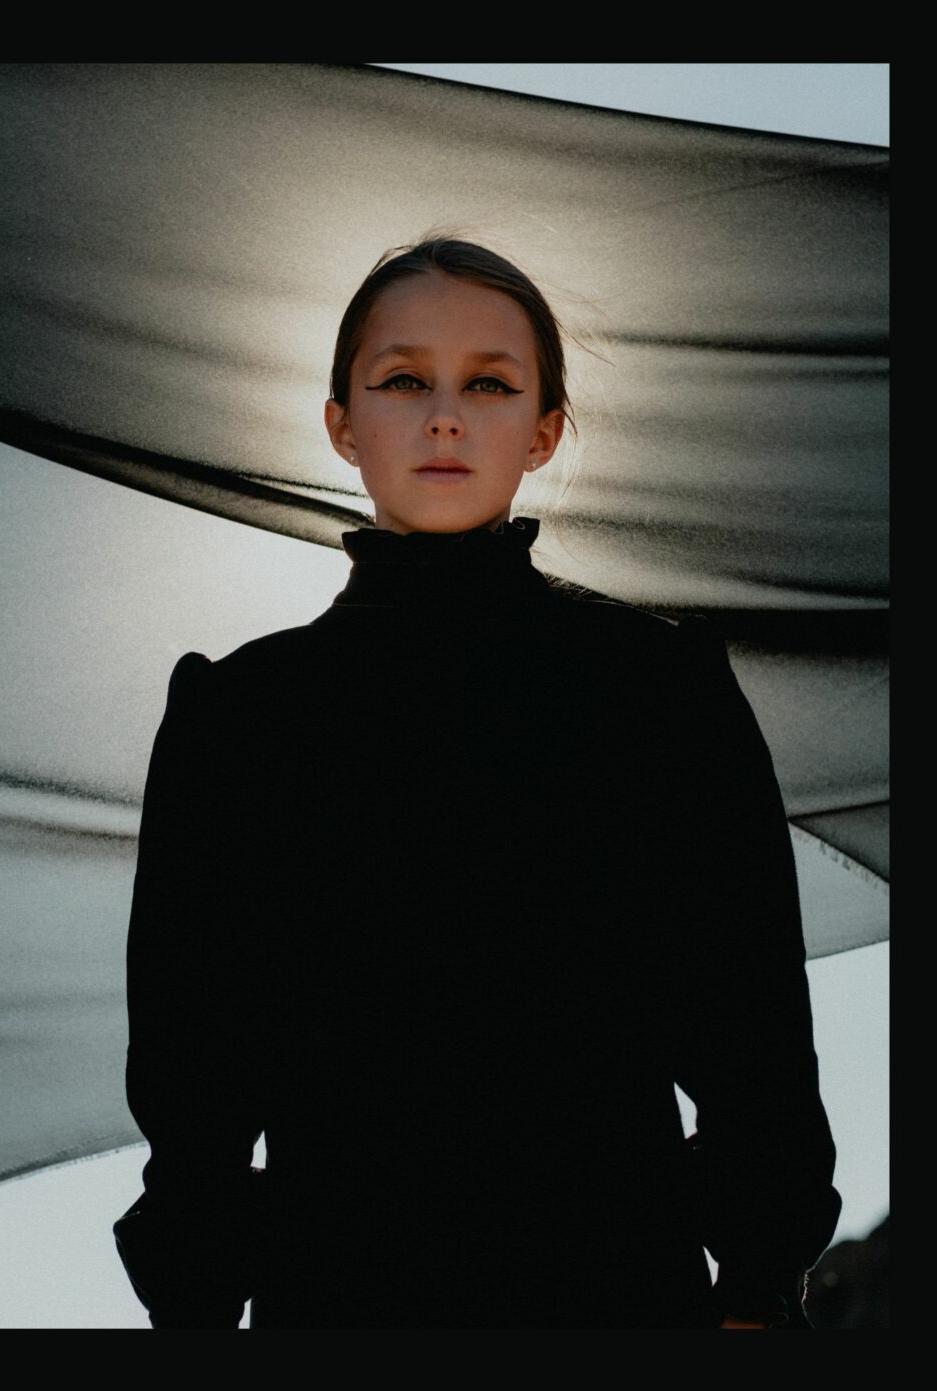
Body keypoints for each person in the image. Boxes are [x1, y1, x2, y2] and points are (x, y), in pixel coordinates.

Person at [120, 235, 841, 1328]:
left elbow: (753, 1037)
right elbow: (196, 1080)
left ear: (543, 429)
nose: (443, 414)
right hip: (339, 1294)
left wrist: (752, 1284)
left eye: (489, 383)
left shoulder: (659, 689)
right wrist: (194, 1301)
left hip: (617, 1290)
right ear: (339, 423)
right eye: (403, 379)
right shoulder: (238, 714)